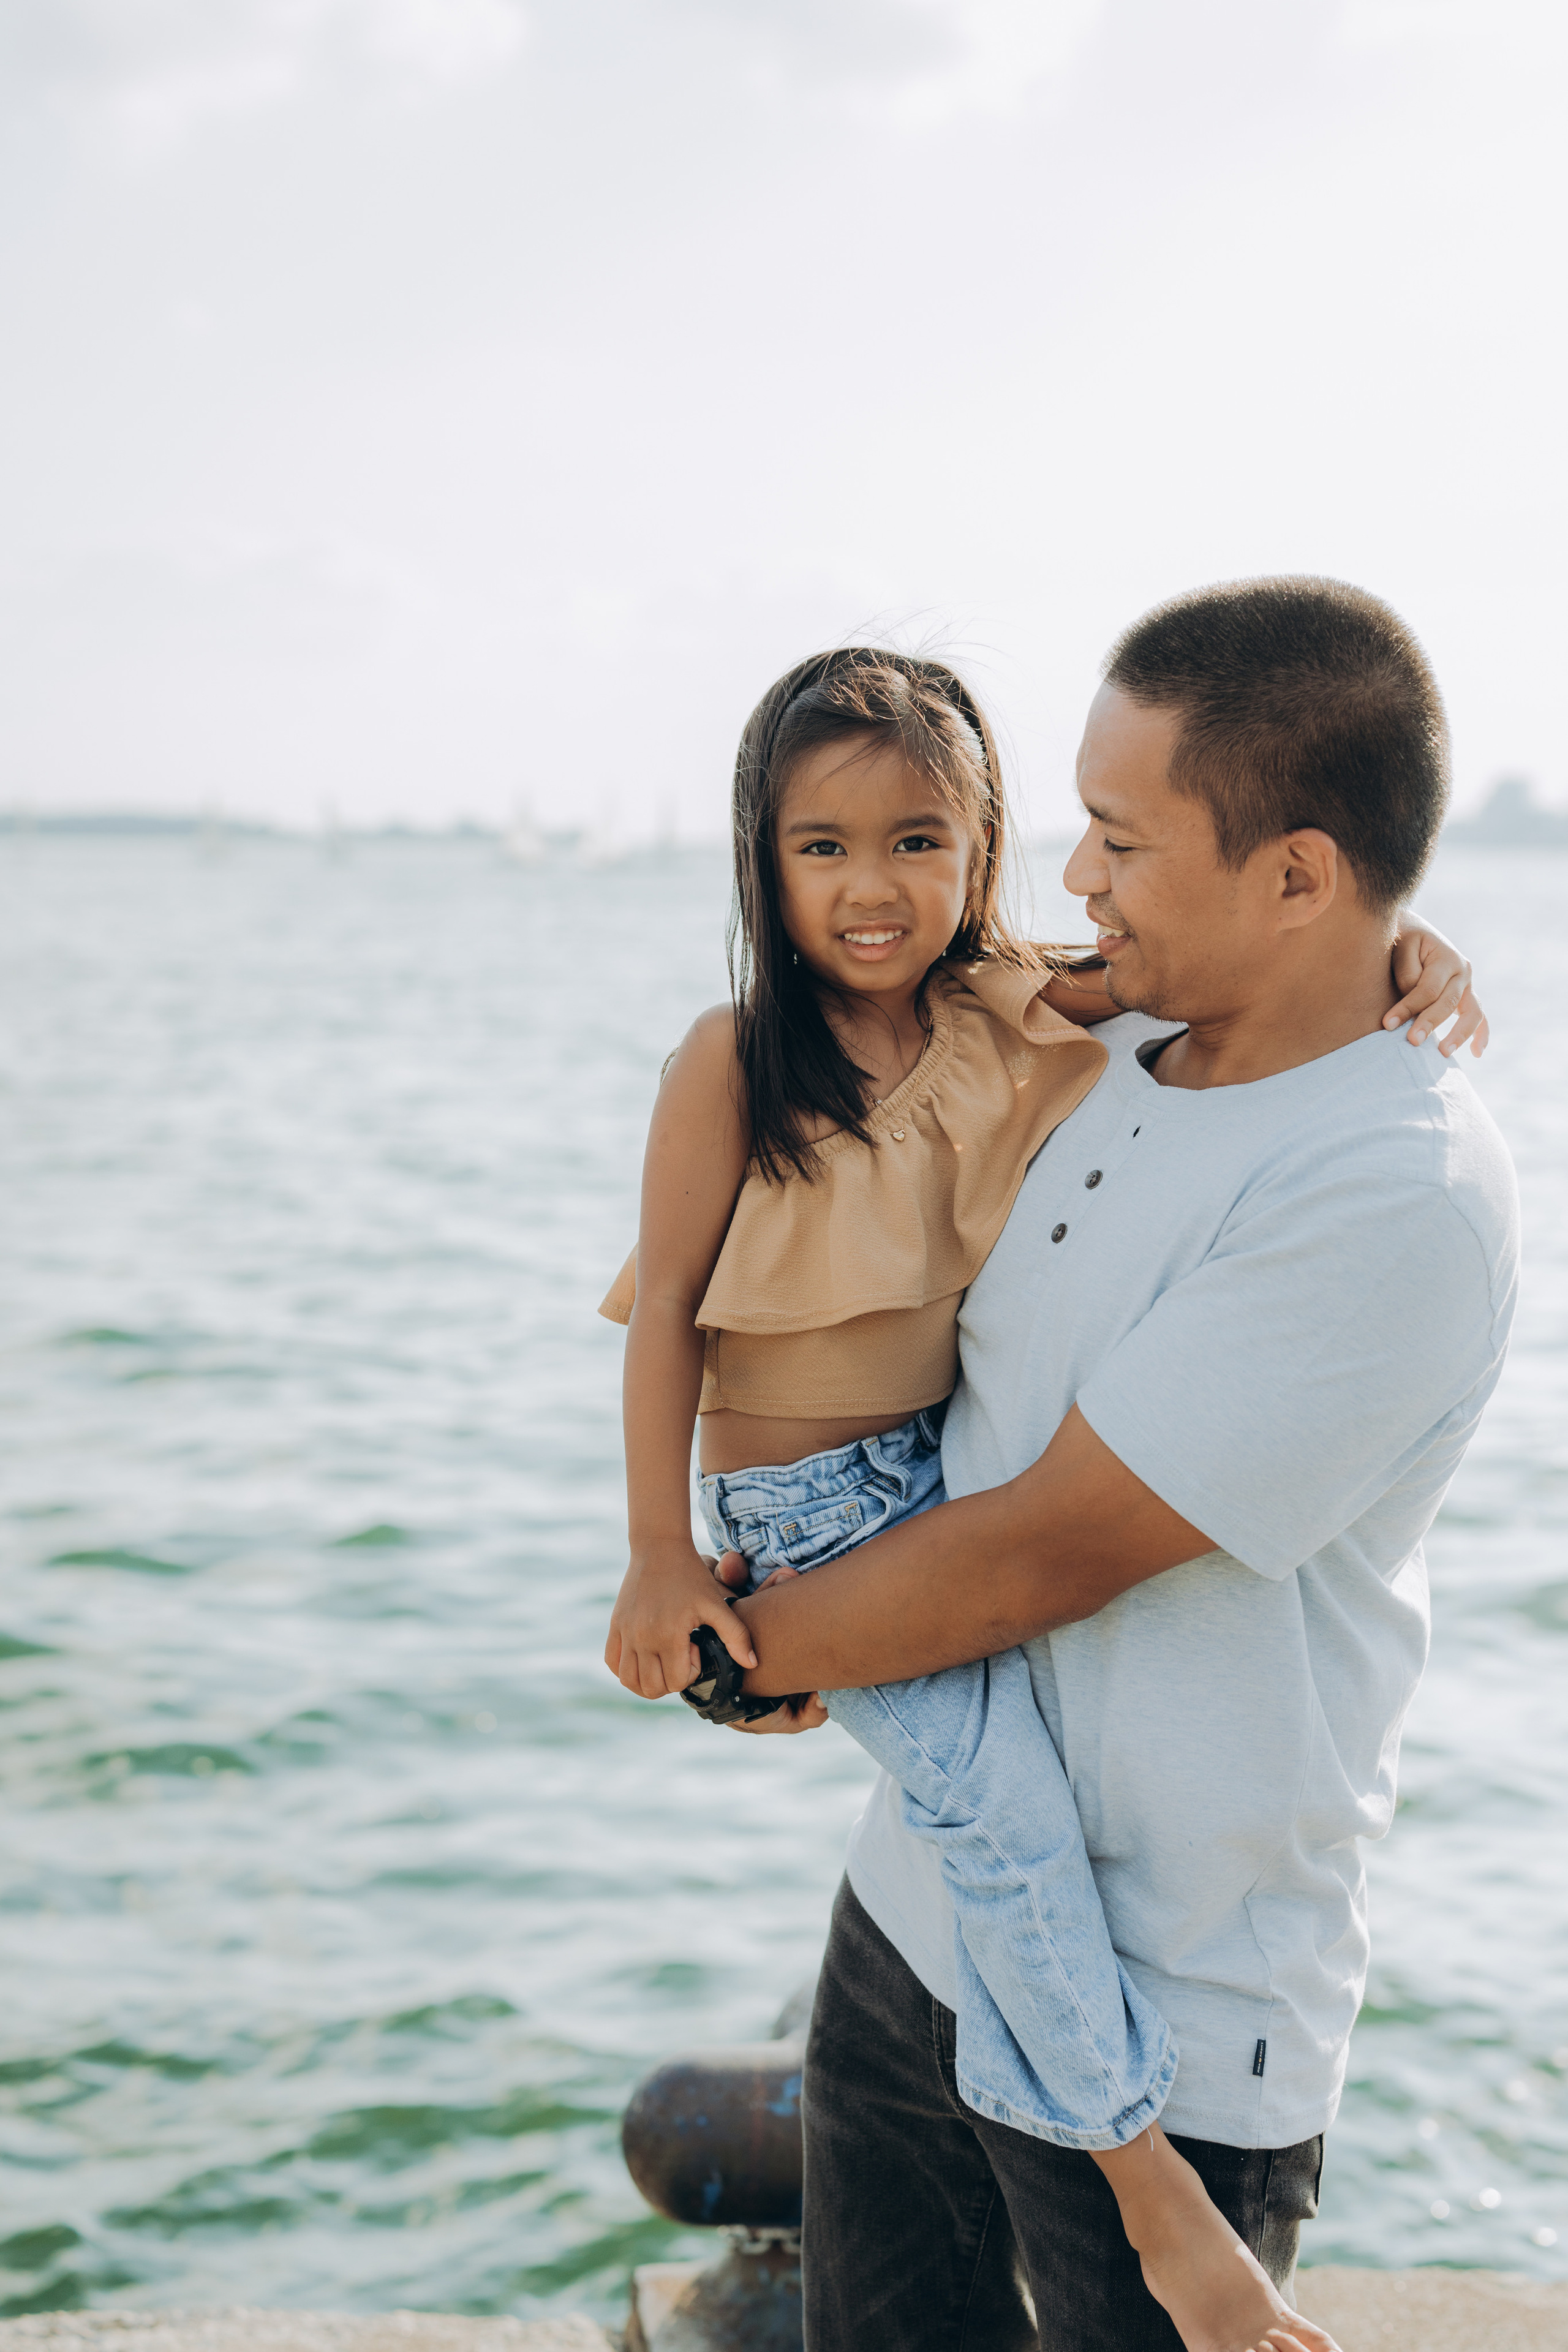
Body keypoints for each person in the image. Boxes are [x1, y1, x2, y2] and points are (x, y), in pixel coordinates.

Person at [601, 614, 1495, 2350]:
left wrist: (752, 1657)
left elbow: (1037, 1556)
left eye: (1125, 840)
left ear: (1299, 878)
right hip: (904, 1938)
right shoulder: (1126, 1040)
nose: (1082, 879)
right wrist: (693, 1574)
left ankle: (1179, 2233)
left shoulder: (1388, 1189)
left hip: (1168, 1977)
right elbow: (695, 1321)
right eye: (1079, 825)